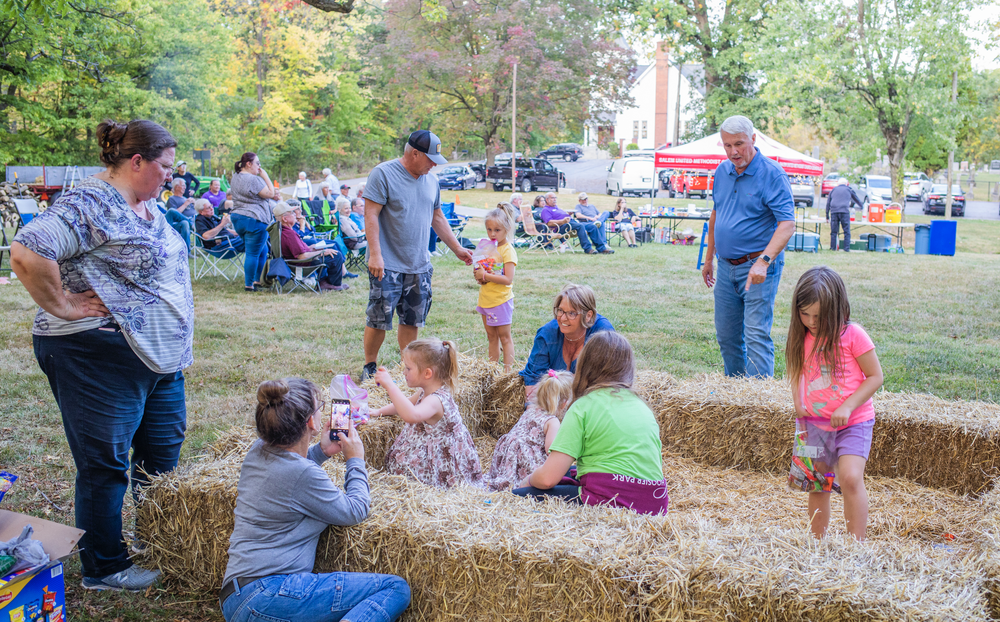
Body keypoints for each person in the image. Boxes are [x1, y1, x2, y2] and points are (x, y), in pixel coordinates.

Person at [11, 118, 191, 591]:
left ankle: (159, 543)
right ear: (137, 162)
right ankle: (105, 567)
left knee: (160, 456)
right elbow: (29, 250)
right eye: (166, 167)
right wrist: (63, 305)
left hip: (158, 359)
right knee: (105, 463)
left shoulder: (146, 203)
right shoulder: (92, 201)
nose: (172, 176)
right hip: (97, 353)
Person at [220, 377, 411, 622]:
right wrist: (356, 459)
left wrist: (320, 452)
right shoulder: (304, 474)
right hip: (269, 595)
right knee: (395, 589)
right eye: (321, 407)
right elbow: (355, 510)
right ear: (311, 421)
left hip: (236, 598)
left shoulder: (257, 451)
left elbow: (287, 476)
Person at [512, 332, 668, 515]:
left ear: (585, 366)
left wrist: (528, 481)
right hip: (655, 503)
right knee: (570, 472)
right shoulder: (643, 407)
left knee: (518, 496)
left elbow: (547, 479)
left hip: (609, 499)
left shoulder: (582, 407)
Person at [362, 129, 473, 380]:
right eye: (431, 159)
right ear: (414, 153)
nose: (434, 165)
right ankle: (370, 365)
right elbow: (370, 215)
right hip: (387, 262)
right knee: (379, 317)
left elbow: (437, 217)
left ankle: (407, 367)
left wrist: (457, 248)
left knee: (412, 319)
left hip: (419, 264)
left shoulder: (431, 181)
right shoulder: (383, 174)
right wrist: (375, 255)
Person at [787, 266, 883, 541]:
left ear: (836, 308)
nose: (810, 321)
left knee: (851, 478)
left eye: (818, 315)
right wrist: (798, 400)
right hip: (815, 425)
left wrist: (847, 407)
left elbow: (875, 377)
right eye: (804, 314)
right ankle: (819, 545)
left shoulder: (853, 336)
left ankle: (856, 546)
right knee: (818, 485)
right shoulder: (801, 336)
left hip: (854, 421)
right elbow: (797, 371)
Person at [701, 115, 795, 378]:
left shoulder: (772, 174)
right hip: (726, 268)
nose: (733, 152)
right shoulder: (722, 171)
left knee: (755, 336)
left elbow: (787, 224)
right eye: (727, 145)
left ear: (753, 139)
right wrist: (709, 259)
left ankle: (759, 403)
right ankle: (736, 398)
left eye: (739, 144)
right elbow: (716, 215)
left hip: (757, 268)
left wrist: (763, 261)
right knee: (727, 338)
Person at [371, 338, 483, 489]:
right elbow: (404, 404)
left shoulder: (436, 401)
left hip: (439, 461)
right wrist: (378, 411)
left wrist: (390, 386)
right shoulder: (425, 392)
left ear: (427, 373)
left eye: (408, 369)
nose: (404, 372)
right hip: (425, 448)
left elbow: (411, 414)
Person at [486, 369, 573, 492]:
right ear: (564, 404)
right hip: (525, 458)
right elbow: (550, 450)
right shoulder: (552, 421)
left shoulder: (530, 410)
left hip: (509, 454)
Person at [519, 284, 614, 395]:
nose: (563, 318)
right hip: (553, 401)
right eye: (560, 310)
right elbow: (534, 378)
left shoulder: (603, 334)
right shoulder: (547, 334)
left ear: (588, 316)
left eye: (571, 313)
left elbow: (607, 381)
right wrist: (533, 409)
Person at [474, 203, 518, 372]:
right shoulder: (487, 247)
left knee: (504, 338)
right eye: (489, 229)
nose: (492, 234)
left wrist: (485, 276)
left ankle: (507, 373)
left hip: (501, 301)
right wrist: (479, 275)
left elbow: (508, 278)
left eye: (497, 230)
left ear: (507, 228)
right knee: (491, 337)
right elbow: (483, 268)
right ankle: (492, 370)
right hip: (486, 299)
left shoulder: (508, 250)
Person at [229, 152, 277, 292]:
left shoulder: (235, 177)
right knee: (253, 253)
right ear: (248, 164)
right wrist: (266, 176)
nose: (259, 166)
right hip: (254, 218)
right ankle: (249, 284)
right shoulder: (254, 179)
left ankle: (258, 280)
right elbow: (270, 194)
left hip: (238, 218)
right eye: (257, 163)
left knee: (262, 250)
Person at [274, 202, 348, 292]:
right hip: (302, 263)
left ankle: (325, 282)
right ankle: (333, 284)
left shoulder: (286, 231)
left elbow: (300, 250)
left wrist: (312, 247)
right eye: (292, 213)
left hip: (301, 261)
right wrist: (322, 252)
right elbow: (301, 256)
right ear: (285, 219)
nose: (295, 215)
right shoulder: (289, 234)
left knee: (330, 249)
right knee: (336, 255)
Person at [539, 192, 612, 255]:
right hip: (561, 227)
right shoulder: (545, 210)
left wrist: (569, 215)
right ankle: (588, 249)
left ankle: (602, 249)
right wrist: (563, 221)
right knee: (580, 225)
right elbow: (549, 223)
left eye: (555, 197)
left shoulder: (557, 207)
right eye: (552, 198)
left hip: (571, 223)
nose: (555, 199)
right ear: (547, 200)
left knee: (592, 226)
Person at [826, 178, 863, 251]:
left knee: (834, 232)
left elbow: (828, 203)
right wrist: (862, 206)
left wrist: (827, 216)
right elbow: (856, 199)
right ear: (846, 184)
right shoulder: (849, 189)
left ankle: (832, 248)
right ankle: (846, 248)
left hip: (834, 212)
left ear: (838, 184)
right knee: (846, 232)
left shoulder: (833, 190)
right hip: (844, 211)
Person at [164, 178, 196, 254]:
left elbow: (193, 211)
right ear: (176, 187)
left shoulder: (185, 198)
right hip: (179, 224)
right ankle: (186, 252)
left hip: (195, 219)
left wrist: (195, 205)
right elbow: (174, 214)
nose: (185, 187)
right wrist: (185, 204)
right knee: (185, 222)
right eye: (183, 185)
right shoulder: (172, 199)